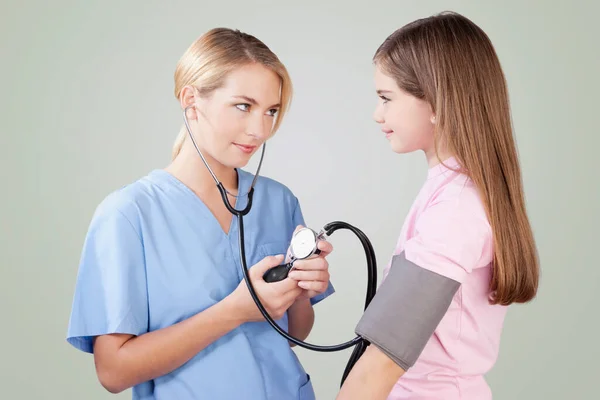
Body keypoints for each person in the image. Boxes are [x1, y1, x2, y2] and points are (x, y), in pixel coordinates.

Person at [66, 28, 335, 400]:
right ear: (191, 100)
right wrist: (235, 310)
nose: (259, 130)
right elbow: (113, 371)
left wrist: (303, 290)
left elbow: (294, 334)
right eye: (244, 106)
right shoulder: (128, 214)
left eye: (270, 111)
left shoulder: (278, 200)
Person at [337, 11, 540, 400]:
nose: (377, 114)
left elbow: (379, 366)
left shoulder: (455, 209)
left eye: (386, 98)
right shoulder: (451, 191)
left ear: (435, 102)